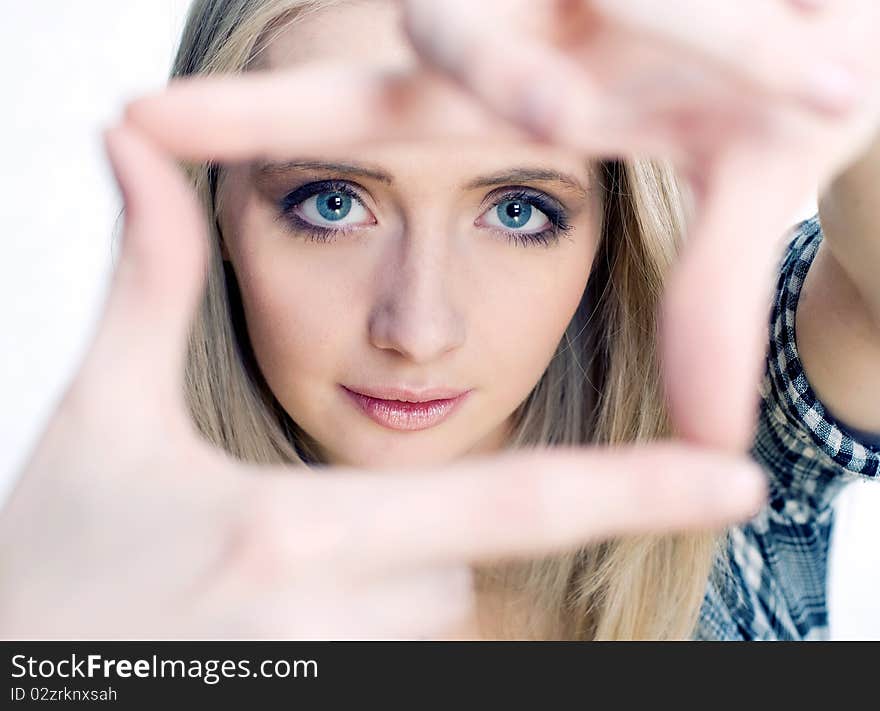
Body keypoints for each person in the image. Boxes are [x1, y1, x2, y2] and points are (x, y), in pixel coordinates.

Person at [1, 0, 877, 640]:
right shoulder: (112, 609)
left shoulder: (723, 432)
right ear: (212, 210)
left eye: (518, 209)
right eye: (334, 202)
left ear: (609, 224)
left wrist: (847, 93)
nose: (417, 330)